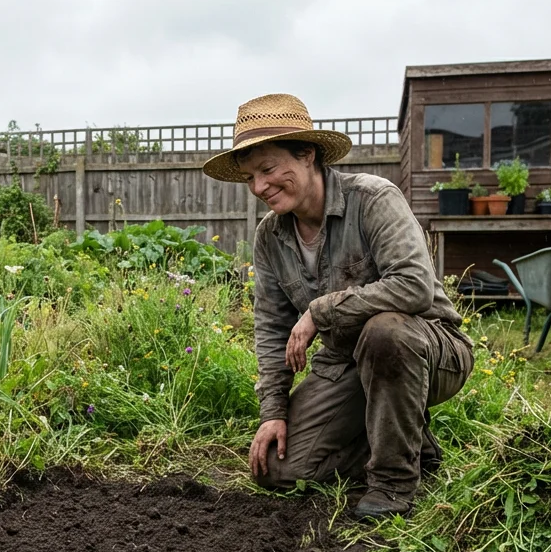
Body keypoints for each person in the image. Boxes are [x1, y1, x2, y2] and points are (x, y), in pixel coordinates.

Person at [202, 94, 474, 518]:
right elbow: (272, 328)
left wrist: (320, 311)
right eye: (250, 176)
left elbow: (415, 287)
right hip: (346, 362)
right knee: (275, 470)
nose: (258, 187)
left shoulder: (372, 199)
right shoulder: (270, 238)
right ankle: (408, 443)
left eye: (268, 169)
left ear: (307, 154)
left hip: (429, 349)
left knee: (385, 331)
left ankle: (394, 482)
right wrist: (272, 413)